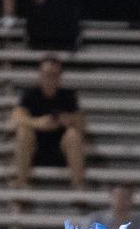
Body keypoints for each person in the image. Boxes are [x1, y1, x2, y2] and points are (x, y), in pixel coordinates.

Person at [10, 54, 87, 188]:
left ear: (60, 77)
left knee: (73, 136)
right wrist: (38, 123)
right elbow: (16, 117)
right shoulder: (30, 94)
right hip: (35, 145)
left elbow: (80, 120)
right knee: (23, 133)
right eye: (47, 74)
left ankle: (78, 184)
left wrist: (67, 120)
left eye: (54, 75)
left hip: (61, 147)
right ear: (40, 75)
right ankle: (21, 182)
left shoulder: (68, 95)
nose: (50, 79)